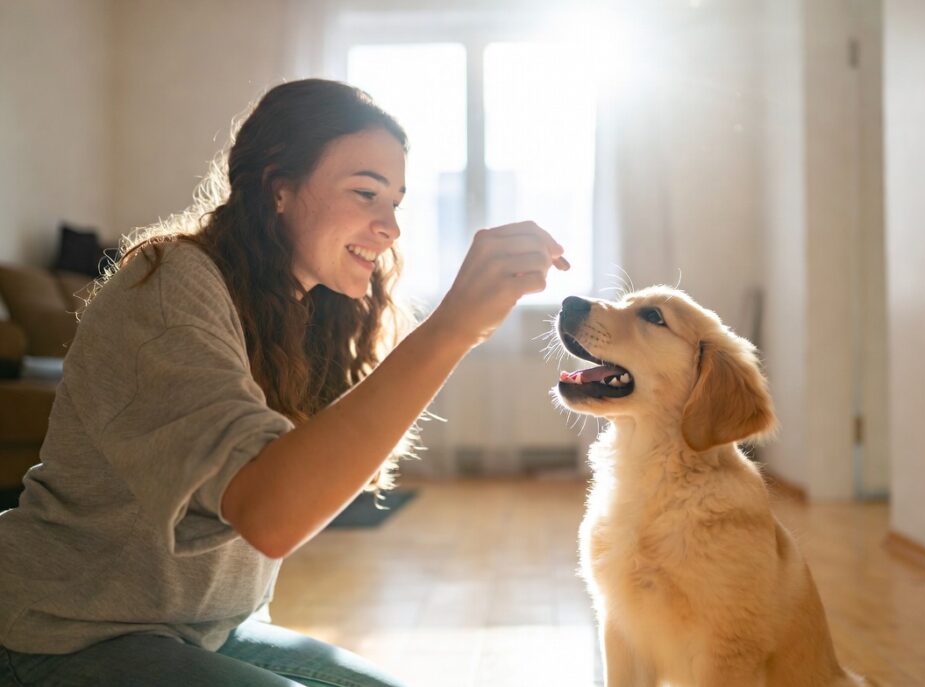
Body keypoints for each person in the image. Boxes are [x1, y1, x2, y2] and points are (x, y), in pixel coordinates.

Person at [0, 79, 568, 686]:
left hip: (214, 627)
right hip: (65, 631)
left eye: (395, 203)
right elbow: (271, 516)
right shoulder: (168, 283)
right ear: (280, 188)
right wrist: (452, 329)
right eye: (365, 193)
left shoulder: (307, 309)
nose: (390, 227)